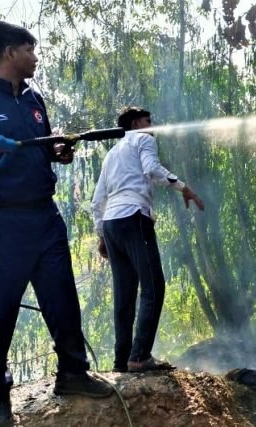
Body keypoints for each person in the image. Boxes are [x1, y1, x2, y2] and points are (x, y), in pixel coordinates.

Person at [0, 21, 113, 427]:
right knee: (0, 309)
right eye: (30, 49)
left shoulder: (35, 99)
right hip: (1, 221)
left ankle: (72, 373)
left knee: (62, 298)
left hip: (45, 216)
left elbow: (39, 146)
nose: (35, 57)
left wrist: (56, 151)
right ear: (9, 52)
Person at [91, 106, 204, 373]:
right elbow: (152, 169)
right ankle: (139, 356)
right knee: (153, 287)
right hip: (134, 217)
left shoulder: (112, 154)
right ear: (135, 123)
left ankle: (121, 362)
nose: (153, 126)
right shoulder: (143, 139)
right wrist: (183, 187)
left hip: (111, 224)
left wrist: (101, 235)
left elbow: (97, 201)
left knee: (124, 294)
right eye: (148, 121)